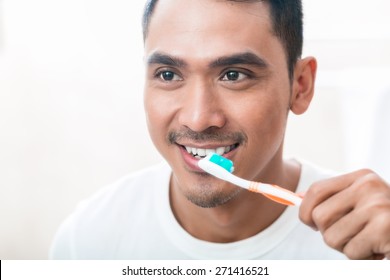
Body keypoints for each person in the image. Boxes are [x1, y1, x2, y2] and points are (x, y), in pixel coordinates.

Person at [50, 0, 390, 260]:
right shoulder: (87, 241)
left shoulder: (366, 244)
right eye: (168, 75)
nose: (198, 119)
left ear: (300, 86)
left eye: (234, 75)